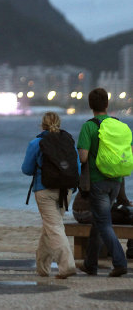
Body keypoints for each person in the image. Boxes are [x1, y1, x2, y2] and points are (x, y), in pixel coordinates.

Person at [77, 88, 129, 277]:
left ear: (91, 106)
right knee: (99, 222)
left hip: (98, 182)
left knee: (104, 223)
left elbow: (83, 157)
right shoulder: (119, 125)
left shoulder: (89, 126)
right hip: (116, 180)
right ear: (107, 104)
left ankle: (120, 262)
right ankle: (91, 264)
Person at [22, 112, 80, 279]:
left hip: (44, 190)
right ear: (59, 123)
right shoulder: (68, 141)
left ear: (42, 124)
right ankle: (42, 268)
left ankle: (67, 265)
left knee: (53, 228)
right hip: (66, 191)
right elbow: (77, 167)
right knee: (51, 227)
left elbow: (26, 169)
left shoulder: (36, 143)